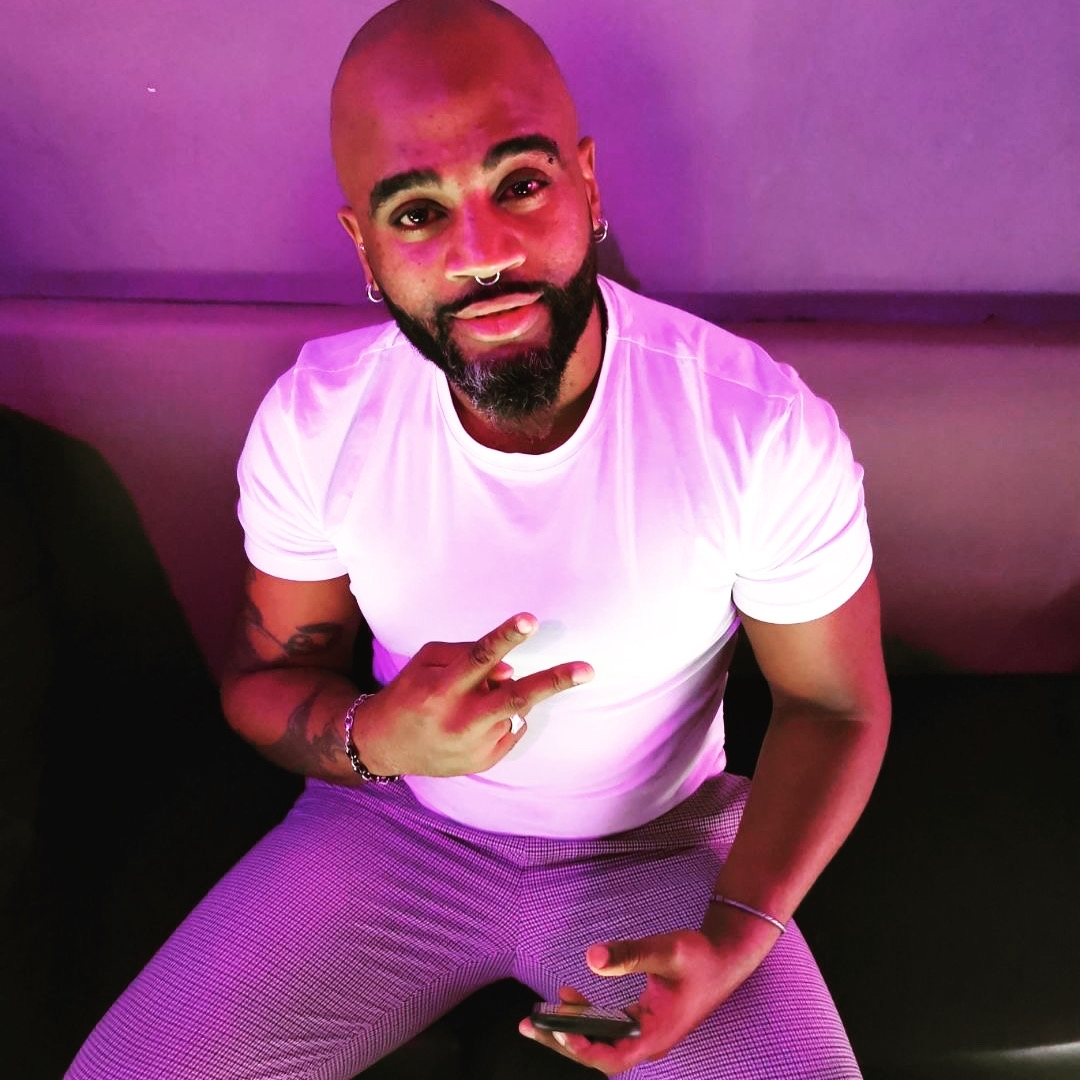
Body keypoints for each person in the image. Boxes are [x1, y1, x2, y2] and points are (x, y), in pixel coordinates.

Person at [66, 1, 891, 1077]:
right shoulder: (321, 420)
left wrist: (737, 936)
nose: (483, 254)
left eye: (521, 184)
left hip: (658, 847)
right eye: (417, 212)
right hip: (392, 831)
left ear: (587, 184)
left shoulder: (754, 425)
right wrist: (379, 737)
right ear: (365, 246)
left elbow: (835, 705)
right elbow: (263, 680)